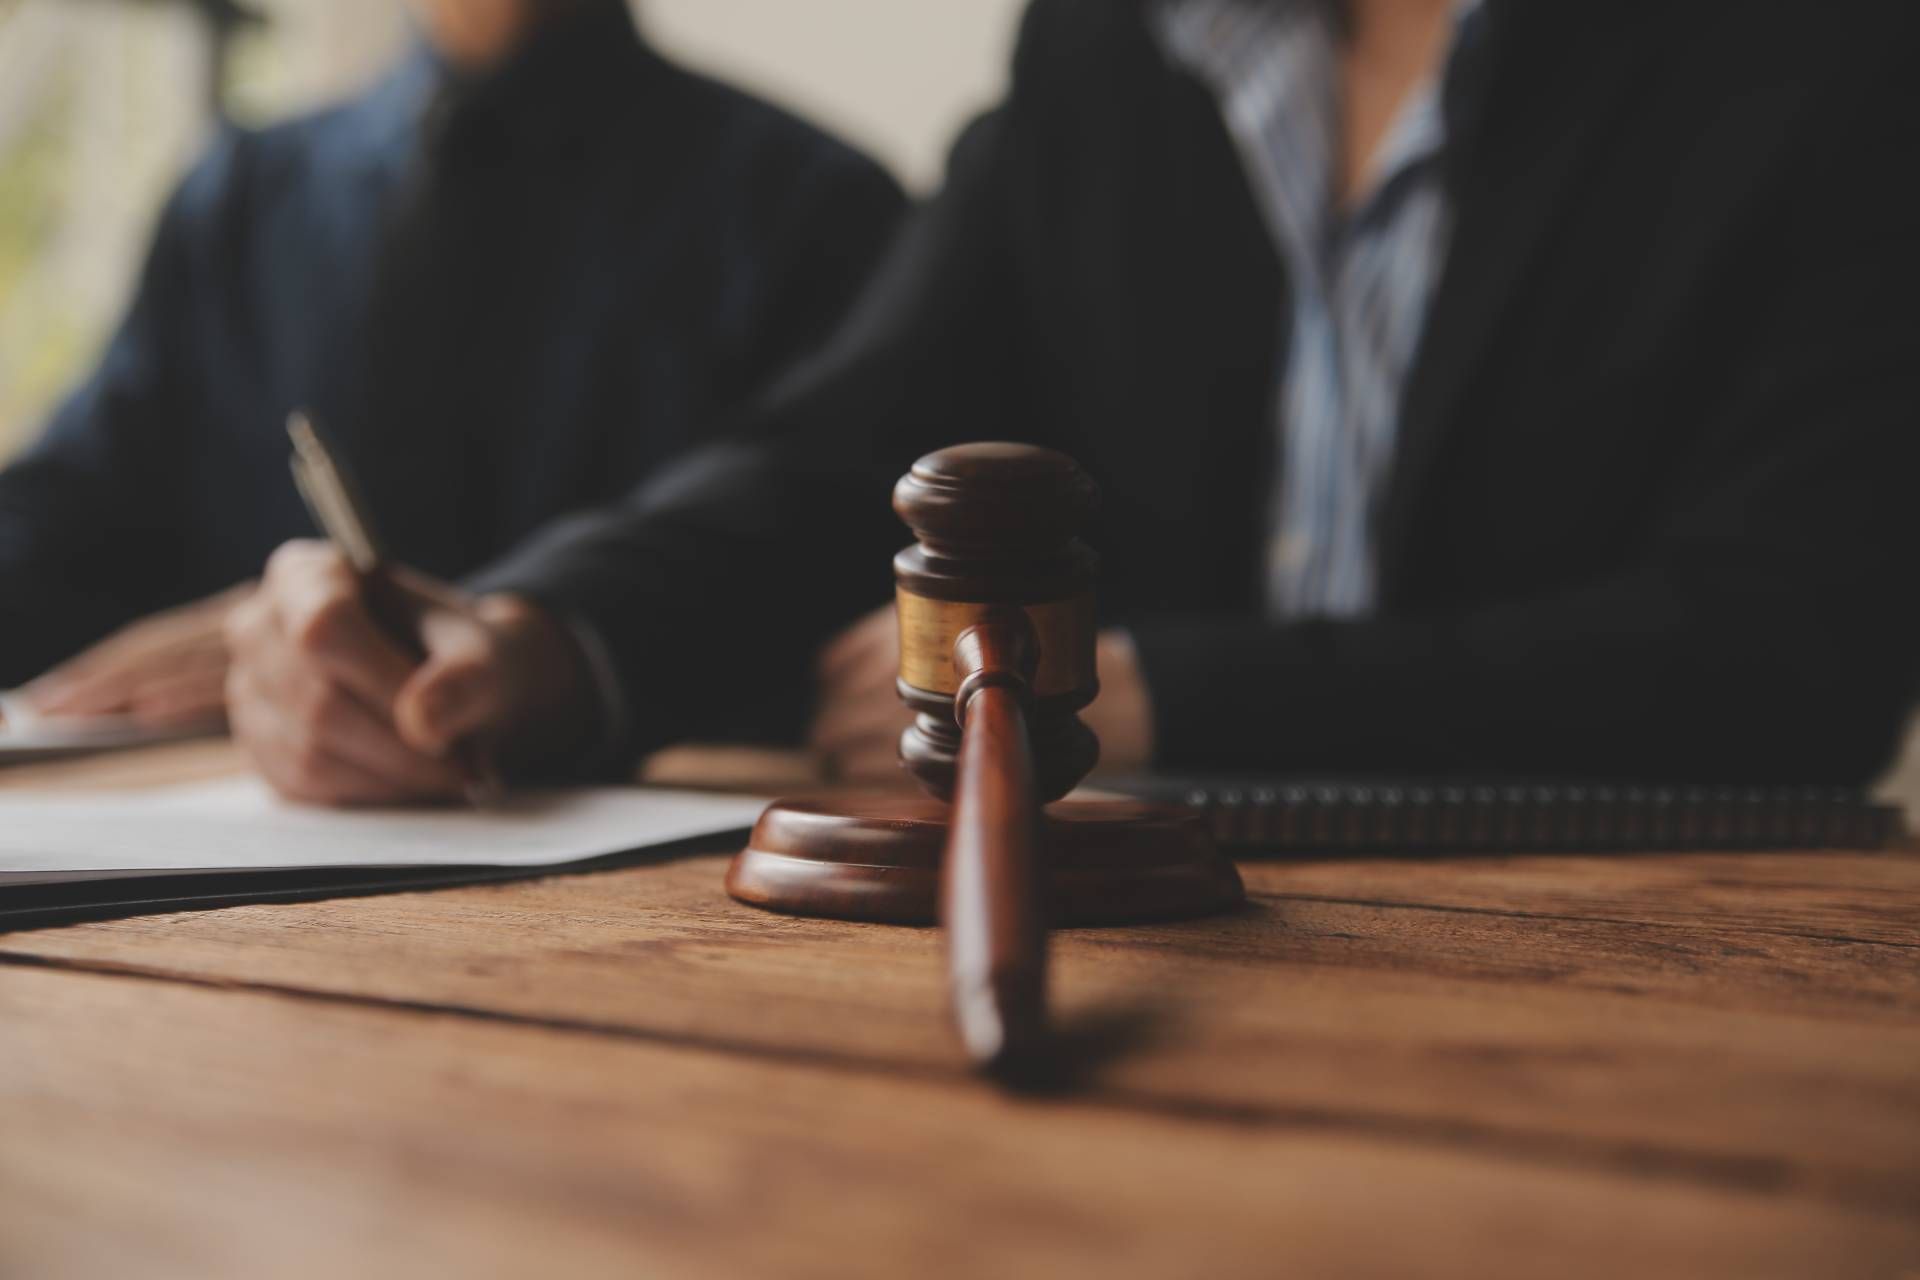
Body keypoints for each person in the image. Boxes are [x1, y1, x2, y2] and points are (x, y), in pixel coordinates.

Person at [228, 0, 1920, 804]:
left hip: (1642, 976)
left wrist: (1169, 692)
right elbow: (849, 440)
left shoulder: (1829, 62)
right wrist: (542, 634)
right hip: (1157, 948)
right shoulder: (1107, 54)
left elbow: (1796, 649)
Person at [0, 0, 904, 751]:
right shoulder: (240, 200)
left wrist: (459, 643)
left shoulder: (819, 213)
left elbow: (816, 579)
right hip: (226, 851)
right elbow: (74, 510)